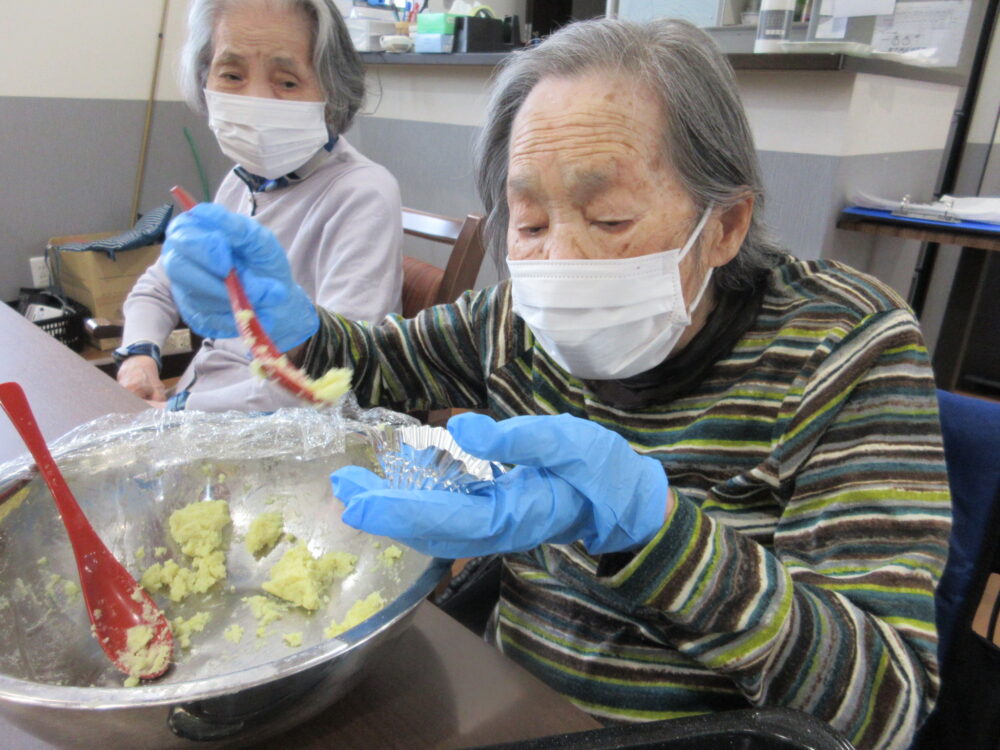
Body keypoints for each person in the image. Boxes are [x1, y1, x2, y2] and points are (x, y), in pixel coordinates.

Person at [161, 18, 952, 750]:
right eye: (530, 224)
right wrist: (286, 328)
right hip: (515, 705)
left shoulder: (844, 348)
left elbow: (883, 704)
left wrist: (656, 533)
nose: (558, 263)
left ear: (727, 226)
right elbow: (376, 366)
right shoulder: (514, 316)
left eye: (607, 220)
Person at [116, 0, 403, 412]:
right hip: (197, 406)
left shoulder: (363, 193)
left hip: (279, 435)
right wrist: (139, 356)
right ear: (205, 80)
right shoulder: (240, 182)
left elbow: (331, 379)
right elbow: (161, 284)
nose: (254, 100)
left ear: (332, 90)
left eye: (287, 82)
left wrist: (175, 415)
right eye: (232, 74)